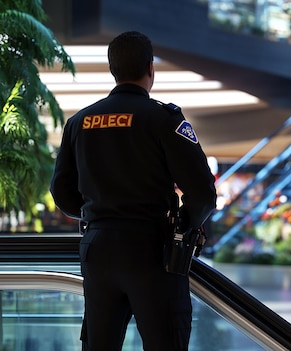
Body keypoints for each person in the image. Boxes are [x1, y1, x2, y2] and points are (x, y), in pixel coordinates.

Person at [50, 31, 217, 350]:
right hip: (151, 251)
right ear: (150, 68)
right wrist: (183, 227)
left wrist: (95, 216)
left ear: (113, 69)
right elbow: (203, 194)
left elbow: (62, 193)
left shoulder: (80, 121)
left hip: (98, 249)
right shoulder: (163, 119)